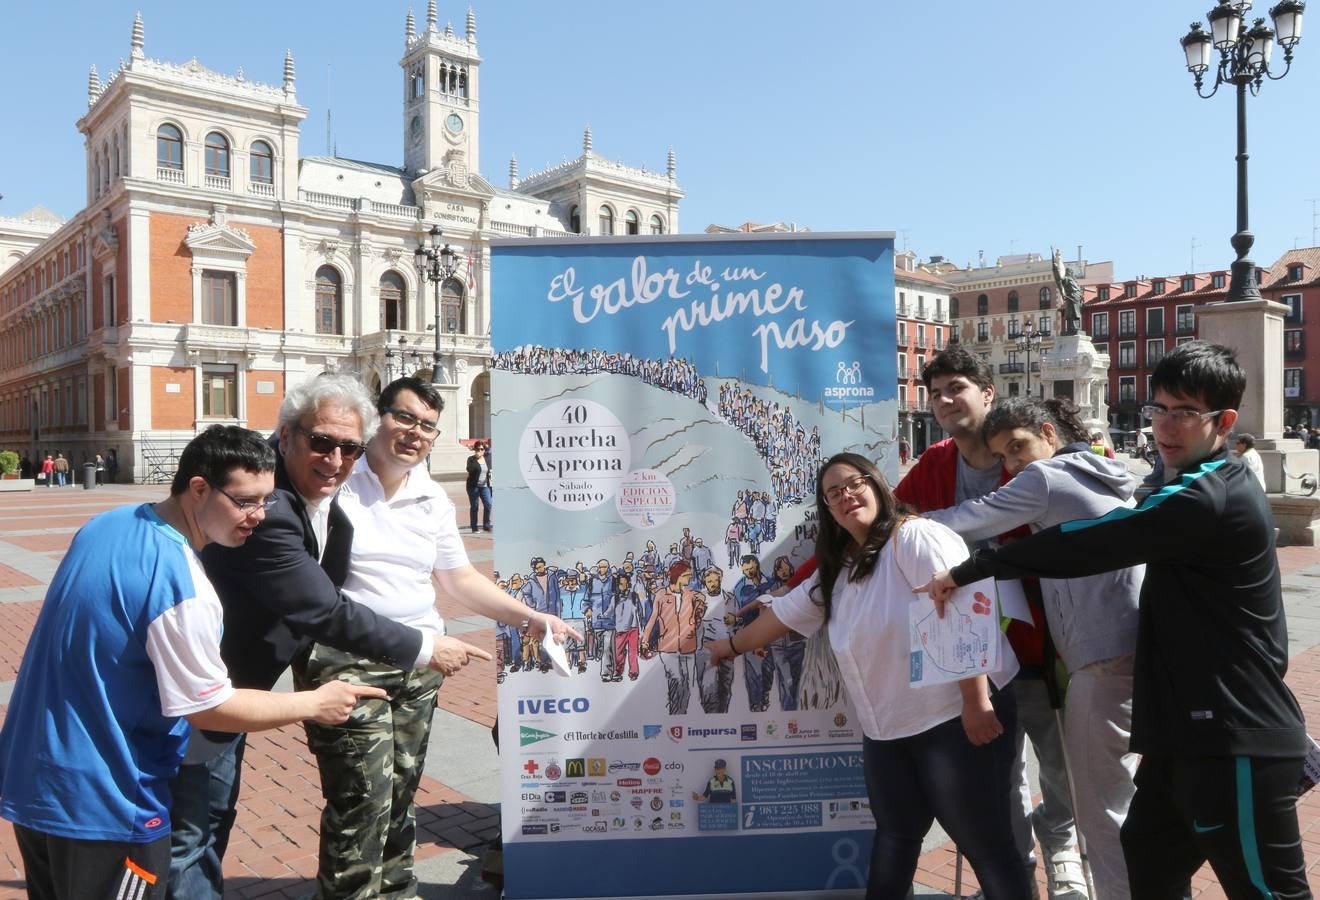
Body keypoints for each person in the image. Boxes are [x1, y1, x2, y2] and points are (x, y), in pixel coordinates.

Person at [918, 341, 1311, 897]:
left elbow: (1097, 542)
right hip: (1180, 734)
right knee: (1146, 867)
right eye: (1158, 409)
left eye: (1186, 413)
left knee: (1268, 891)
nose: (1166, 427)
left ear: (1223, 421)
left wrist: (976, 565)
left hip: (1232, 732)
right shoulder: (1171, 483)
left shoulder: (1208, 496)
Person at [0, 426, 383, 900]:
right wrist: (313, 703)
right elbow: (210, 708)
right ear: (199, 488)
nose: (259, 516)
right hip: (109, 801)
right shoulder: (182, 585)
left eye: (267, 500)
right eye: (246, 501)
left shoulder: (107, 524)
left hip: (34, 778)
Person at [167, 375, 467, 900]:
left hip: (230, 687)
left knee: (210, 819)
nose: (335, 459)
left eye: (349, 447)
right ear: (286, 437)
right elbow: (323, 608)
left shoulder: (328, 500)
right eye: (322, 442)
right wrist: (425, 646)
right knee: (191, 832)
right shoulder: (270, 507)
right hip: (198, 692)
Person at [293, 377, 576, 898]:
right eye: (403, 418)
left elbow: (458, 578)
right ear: (376, 417)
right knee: (362, 797)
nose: (414, 433)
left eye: (427, 425)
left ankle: (397, 890)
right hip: (346, 662)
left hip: (420, 666)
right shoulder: (336, 483)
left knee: (400, 793)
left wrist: (530, 618)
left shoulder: (431, 496)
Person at [708, 453, 1027, 898]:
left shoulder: (915, 537)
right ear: (828, 510)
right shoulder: (840, 566)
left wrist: (975, 703)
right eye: (834, 493)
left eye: (855, 484)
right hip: (888, 729)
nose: (846, 496)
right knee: (895, 838)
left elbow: (960, 612)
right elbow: (783, 616)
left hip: (954, 719)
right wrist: (727, 648)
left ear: (878, 486)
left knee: (986, 846)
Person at [925, 397, 1142, 897]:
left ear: (1048, 432)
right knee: (1116, 799)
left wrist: (898, 524)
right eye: (1003, 456)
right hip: (1126, 648)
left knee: (1103, 814)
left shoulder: (1046, 479)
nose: (1012, 466)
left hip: (1100, 657)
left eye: (1018, 448)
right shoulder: (1103, 471)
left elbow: (970, 517)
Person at [897, 345, 1085, 896]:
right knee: (1000, 767)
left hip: (1047, 637)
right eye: (935, 393)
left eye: (956, 387)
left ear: (987, 392)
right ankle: (1015, 866)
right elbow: (886, 522)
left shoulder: (1035, 463)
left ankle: (1063, 847)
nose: (945, 400)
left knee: (1063, 759)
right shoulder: (934, 465)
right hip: (973, 647)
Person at [642, 561, 704, 715]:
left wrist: (700, 609)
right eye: (686, 576)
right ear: (678, 575)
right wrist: (644, 641)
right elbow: (652, 619)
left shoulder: (691, 595)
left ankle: (680, 714)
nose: (689, 579)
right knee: (676, 680)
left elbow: (697, 618)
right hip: (668, 647)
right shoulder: (662, 594)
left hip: (688, 646)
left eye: (690, 576)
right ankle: (675, 714)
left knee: (688, 685)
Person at [465, 441, 493, 533]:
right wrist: (477, 458)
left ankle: (486, 525)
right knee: (475, 506)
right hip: (473, 487)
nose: (479, 451)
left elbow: (490, 470)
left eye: (482, 449)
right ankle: (474, 527)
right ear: (475, 449)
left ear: (484, 450)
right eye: (478, 449)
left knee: (488, 504)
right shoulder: (471, 459)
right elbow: (470, 469)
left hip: (485, 486)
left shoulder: (487, 459)